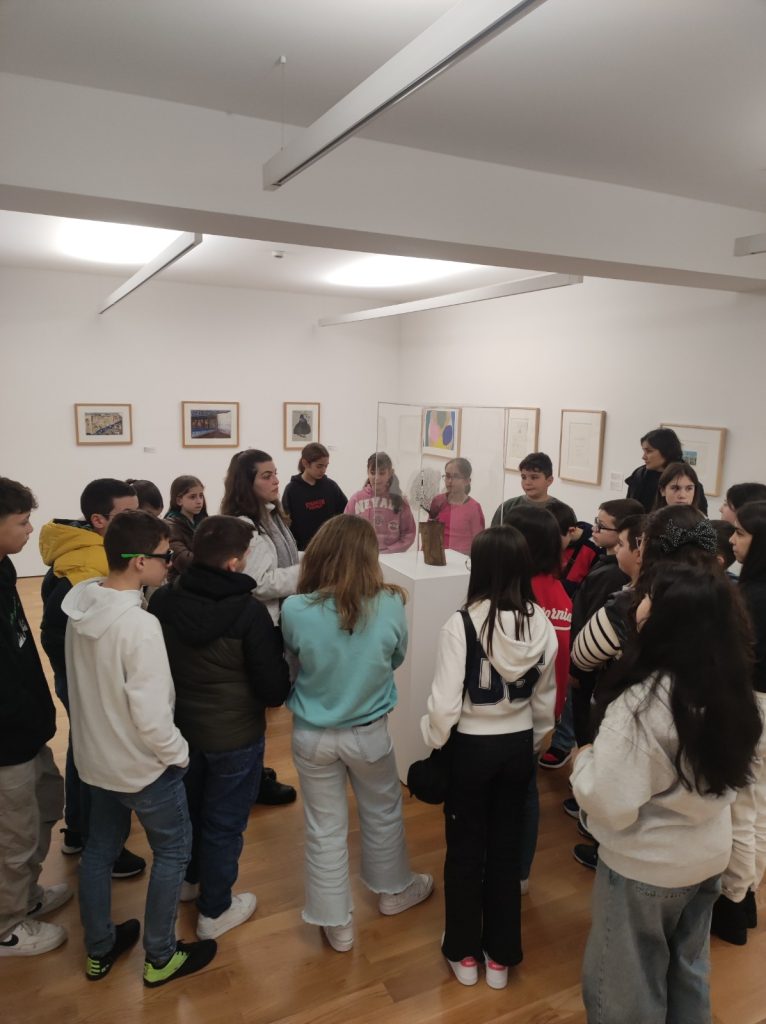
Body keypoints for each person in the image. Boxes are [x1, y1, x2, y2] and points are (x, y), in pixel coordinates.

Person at [572, 564, 761, 1023]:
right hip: (707, 856)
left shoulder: (642, 705)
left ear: (670, 620)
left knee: (624, 990)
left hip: (646, 867)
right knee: (688, 973)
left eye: (650, 599)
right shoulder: (736, 692)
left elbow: (609, 801)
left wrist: (583, 760)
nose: (639, 605)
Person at [64, 510, 217, 985]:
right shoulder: (140, 626)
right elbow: (152, 716)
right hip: (143, 769)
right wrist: (179, 755)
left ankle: (99, 949)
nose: (170, 563)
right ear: (137, 562)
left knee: (98, 851)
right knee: (172, 852)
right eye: (164, 556)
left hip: (95, 762)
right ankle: (160, 957)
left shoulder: (80, 608)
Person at [281, 516, 432, 953]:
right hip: (368, 733)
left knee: (324, 827)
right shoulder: (390, 603)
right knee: (382, 812)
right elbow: (396, 657)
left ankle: (338, 924)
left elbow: (294, 661)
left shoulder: (295, 608)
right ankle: (393, 892)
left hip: (312, 735)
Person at [421, 526, 557, 988]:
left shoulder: (461, 623)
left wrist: (433, 739)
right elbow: (545, 702)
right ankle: (500, 956)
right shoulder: (541, 623)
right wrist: (533, 742)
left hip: (472, 748)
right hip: (517, 746)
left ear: (478, 567)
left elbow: (444, 708)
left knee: (464, 849)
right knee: (505, 850)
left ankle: (463, 952)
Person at [149, 516, 291, 940]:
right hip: (236, 739)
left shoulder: (163, 599)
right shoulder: (249, 613)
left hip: (179, 733)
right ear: (234, 563)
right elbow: (272, 689)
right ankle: (215, 910)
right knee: (225, 822)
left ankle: (190, 882)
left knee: (190, 811)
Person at [38, 478, 145, 877]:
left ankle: (80, 830)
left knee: (83, 747)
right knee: (97, 752)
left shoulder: (84, 551)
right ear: (98, 520)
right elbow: (56, 631)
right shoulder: (85, 565)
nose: (137, 519)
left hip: (82, 677)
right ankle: (101, 843)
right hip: (87, 679)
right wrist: (87, 678)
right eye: (127, 513)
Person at [0, 477, 69, 958]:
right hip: (6, 742)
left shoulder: (5, 569)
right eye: (22, 522)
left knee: (45, 805)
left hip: (28, 728)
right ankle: (7, 926)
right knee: (13, 837)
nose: (30, 530)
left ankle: (25, 896)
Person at [538, 498, 643, 772]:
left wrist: (576, 666)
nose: (594, 529)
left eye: (602, 526)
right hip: (584, 655)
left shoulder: (612, 576)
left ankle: (580, 769)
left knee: (584, 717)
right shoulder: (604, 561)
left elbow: (593, 621)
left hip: (588, 662)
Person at [221, 449, 298, 806]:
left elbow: (283, 561)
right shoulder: (247, 526)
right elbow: (259, 583)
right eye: (266, 475)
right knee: (255, 706)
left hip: (273, 622)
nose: (276, 480)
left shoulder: (270, 516)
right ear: (246, 482)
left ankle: (253, 774)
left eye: (275, 473)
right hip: (261, 626)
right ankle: (250, 781)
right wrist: (307, 573)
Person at [711, 500, 766, 944]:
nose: (732, 539)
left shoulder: (751, 597)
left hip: (752, 702)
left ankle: (733, 902)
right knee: (759, 806)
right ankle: (748, 893)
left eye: (741, 533)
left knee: (741, 808)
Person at [344, 452, 416, 553]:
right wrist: (359, 550)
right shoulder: (356, 499)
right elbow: (346, 530)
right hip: (363, 555)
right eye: (373, 473)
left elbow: (409, 533)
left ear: (390, 473)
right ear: (367, 472)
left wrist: (389, 551)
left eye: (381, 473)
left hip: (392, 558)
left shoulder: (400, 501)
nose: (376, 478)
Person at [282, 443, 348, 551]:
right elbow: (286, 524)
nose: (323, 470)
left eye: (326, 466)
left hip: (330, 548)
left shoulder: (331, 486)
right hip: (303, 550)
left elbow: (345, 513)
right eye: (319, 466)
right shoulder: (291, 490)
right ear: (305, 463)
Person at [428, 457, 485, 555]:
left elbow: (479, 543)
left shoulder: (474, 507)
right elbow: (429, 533)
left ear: (467, 481)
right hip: (437, 557)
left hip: (462, 560)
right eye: (447, 476)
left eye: (456, 476)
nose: (450, 481)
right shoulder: (438, 501)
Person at [546, 499, 599, 598]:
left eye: (555, 540)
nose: (550, 545)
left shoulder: (595, 547)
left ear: (571, 531)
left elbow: (590, 589)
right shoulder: (557, 535)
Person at [625, 427, 683, 512]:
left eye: (649, 451)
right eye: (644, 451)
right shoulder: (639, 474)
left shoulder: (685, 478)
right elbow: (628, 508)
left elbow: (696, 516)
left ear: (666, 451)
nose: (643, 457)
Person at [491, 452, 557, 524]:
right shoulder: (507, 507)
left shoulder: (561, 511)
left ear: (549, 480)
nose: (527, 482)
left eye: (534, 477)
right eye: (523, 477)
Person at [164, 475, 208, 581]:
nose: (199, 501)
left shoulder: (203, 522)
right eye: (192, 497)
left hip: (200, 579)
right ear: (179, 500)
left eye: (201, 496)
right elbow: (185, 561)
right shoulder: (170, 526)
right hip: (180, 582)